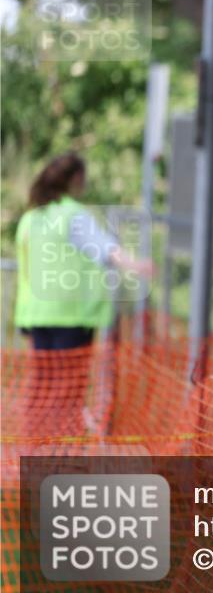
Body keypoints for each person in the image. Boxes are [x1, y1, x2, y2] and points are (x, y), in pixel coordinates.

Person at [13, 153, 151, 435]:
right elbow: (103, 247)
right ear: (75, 179)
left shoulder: (30, 218)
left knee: (42, 387)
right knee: (67, 390)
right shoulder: (72, 214)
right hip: (71, 315)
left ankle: (35, 449)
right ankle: (59, 453)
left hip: (35, 315)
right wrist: (135, 265)